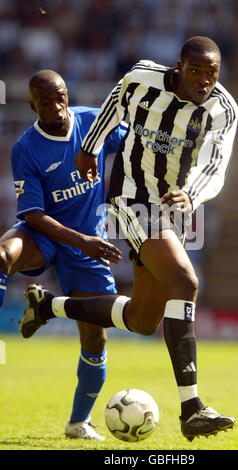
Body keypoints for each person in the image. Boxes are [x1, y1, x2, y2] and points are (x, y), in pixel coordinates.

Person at [21, 36, 238, 441]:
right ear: (179, 67)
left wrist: (191, 193)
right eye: (196, 72)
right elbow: (114, 103)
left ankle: (49, 306)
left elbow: (217, 162)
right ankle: (192, 408)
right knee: (185, 283)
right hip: (131, 197)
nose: (204, 81)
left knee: (142, 319)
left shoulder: (223, 108)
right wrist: (89, 148)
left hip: (175, 204)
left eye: (212, 73)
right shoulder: (142, 78)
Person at [0, 70, 126, 439]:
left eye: (60, 98)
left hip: (88, 245)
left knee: (95, 340)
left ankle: (78, 423)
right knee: (3, 253)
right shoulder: (26, 148)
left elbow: (131, 144)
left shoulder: (92, 121)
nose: (55, 107)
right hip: (46, 234)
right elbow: (34, 214)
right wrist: (81, 240)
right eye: (45, 102)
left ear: (67, 95)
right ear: (31, 105)